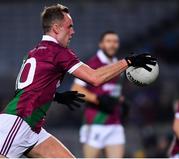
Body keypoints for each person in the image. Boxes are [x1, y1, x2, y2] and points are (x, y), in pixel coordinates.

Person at [0, 4, 156, 158]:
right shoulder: (58, 52)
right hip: (19, 122)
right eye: (69, 26)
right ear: (56, 28)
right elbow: (95, 78)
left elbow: (26, 87)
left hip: (32, 127)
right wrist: (128, 62)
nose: (73, 32)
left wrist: (56, 96)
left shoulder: (34, 52)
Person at [71, 31, 126, 158]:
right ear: (101, 44)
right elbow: (76, 88)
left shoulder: (119, 65)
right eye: (108, 41)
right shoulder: (92, 64)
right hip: (95, 123)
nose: (112, 45)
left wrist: (121, 101)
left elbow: (113, 90)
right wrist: (98, 100)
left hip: (115, 123)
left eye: (115, 41)